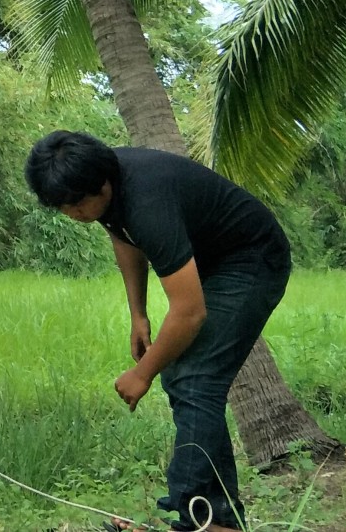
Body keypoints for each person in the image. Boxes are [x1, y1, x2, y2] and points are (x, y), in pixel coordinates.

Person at [25, 131, 293, 532]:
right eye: (64, 206)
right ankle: (217, 520)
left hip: (251, 259)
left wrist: (142, 373)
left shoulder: (148, 200)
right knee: (191, 379)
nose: (74, 213)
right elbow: (122, 234)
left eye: (79, 203)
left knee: (195, 379)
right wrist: (138, 314)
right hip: (211, 260)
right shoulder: (103, 185)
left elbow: (189, 313)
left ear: (103, 184)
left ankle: (189, 517)